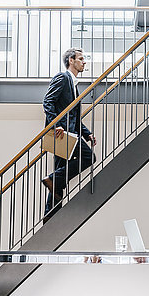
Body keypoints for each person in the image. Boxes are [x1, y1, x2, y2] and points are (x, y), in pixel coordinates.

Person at [42, 48, 96, 222]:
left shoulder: (73, 85)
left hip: (70, 134)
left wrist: (87, 134)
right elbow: (48, 101)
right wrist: (56, 125)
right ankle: (52, 179)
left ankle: (50, 217)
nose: (84, 62)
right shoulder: (63, 77)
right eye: (81, 58)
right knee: (89, 157)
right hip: (62, 135)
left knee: (59, 178)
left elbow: (73, 117)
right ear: (71, 60)